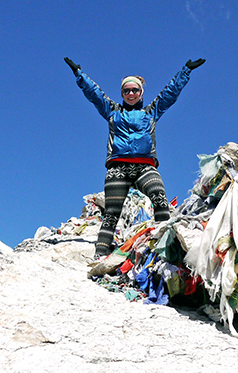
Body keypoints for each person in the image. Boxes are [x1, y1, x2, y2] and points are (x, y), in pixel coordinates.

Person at [64, 56, 205, 258]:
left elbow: (170, 93)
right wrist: (79, 74)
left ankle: (162, 248)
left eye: (134, 90)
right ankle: (100, 253)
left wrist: (186, 71)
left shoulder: (150, 112)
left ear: (141, 93)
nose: (131, 93)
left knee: (160, 199)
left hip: (144, 166)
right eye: (126, 90)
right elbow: (94, 94)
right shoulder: (113, 111)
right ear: (122, 93)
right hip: (118, 167)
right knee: (112, 213)